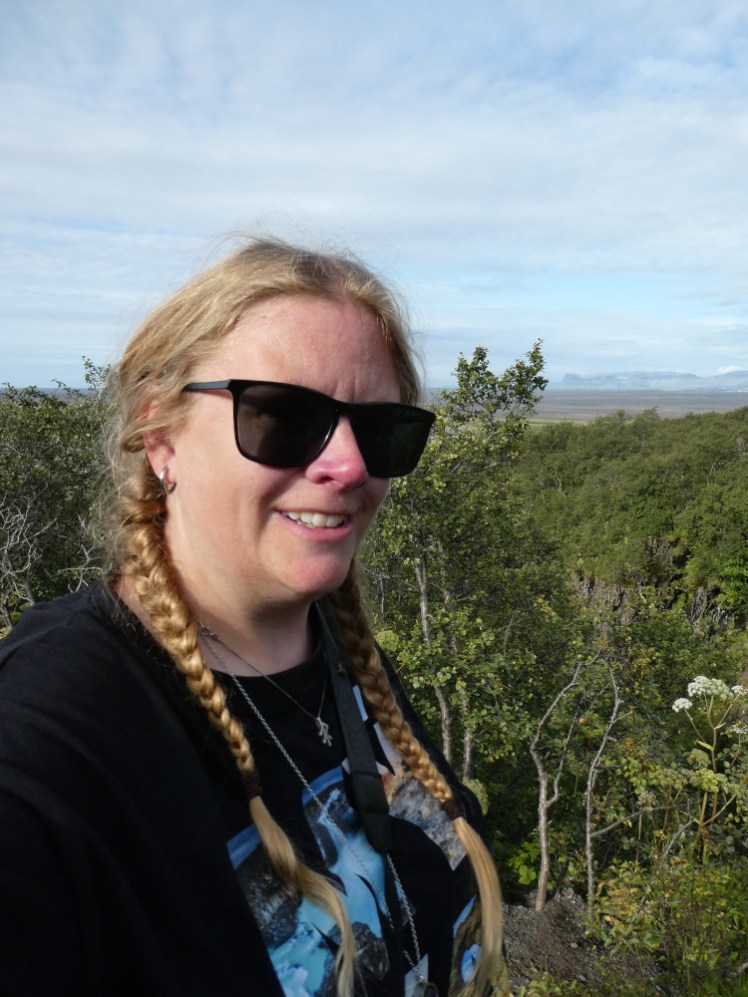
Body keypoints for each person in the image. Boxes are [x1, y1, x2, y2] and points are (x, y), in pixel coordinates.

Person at [0, 238, 508, 996]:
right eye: (282, 416)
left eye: (378, 428)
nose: (349, 465)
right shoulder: (54, 734)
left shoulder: (339, 654)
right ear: (160, 433)